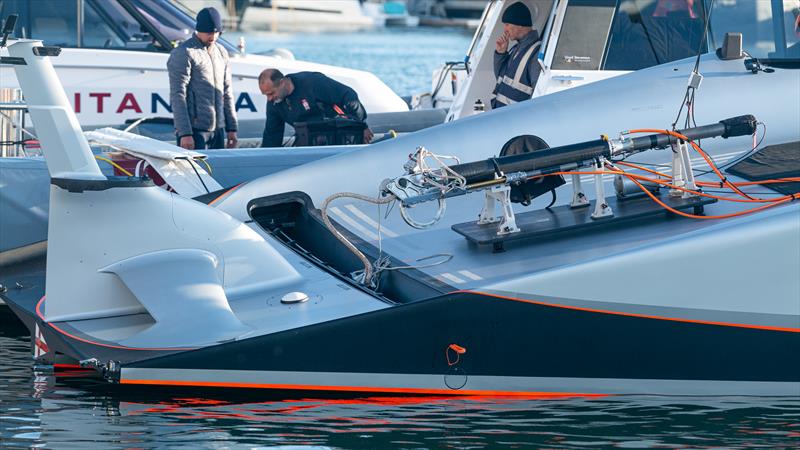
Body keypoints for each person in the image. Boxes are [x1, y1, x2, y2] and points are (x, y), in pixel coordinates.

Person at [167, 7, 238, 150]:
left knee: (217, 171)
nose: (212, 36)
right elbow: (178, 95)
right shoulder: (184, 53)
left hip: (218, 130)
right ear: (198, 29)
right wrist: (185, 133)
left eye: (216, 32)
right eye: (208, 32)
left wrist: (232, 128)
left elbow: (227, 92)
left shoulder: (221, 52)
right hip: (194, 131)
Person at [258, 69, 373, 148]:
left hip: (335, 136)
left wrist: (362, 125)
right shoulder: (274, 102)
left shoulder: (313, 82)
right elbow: (272, 134)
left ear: (282, 83)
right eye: (266, 95)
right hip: (307, 140)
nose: (269, 99)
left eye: (271, 93)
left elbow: (348, 96)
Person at [491, 2, 541, 109]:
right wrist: (501, 53)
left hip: (516, 121)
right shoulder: (516, 48)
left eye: (507, 24)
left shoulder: (535, 52)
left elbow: (538, 93)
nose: (505, 29)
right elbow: (501, 79)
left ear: (520, 24)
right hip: (503, 116)